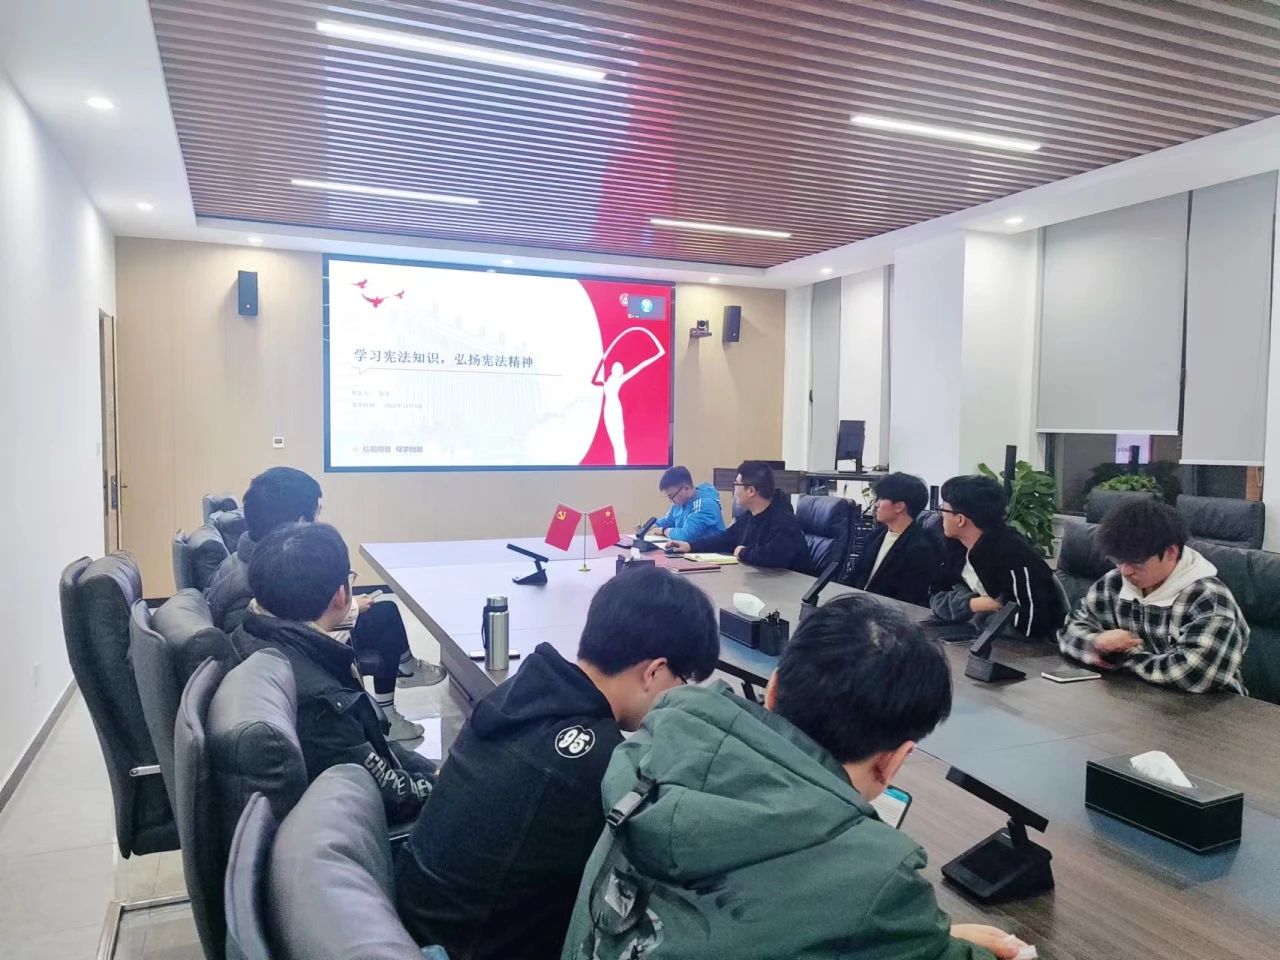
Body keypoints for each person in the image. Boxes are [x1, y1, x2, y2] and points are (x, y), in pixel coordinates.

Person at [562, 594, 1029, 960]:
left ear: (772, 690)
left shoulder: (649, 757)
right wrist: (929, 936)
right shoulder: (874, 882)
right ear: (894, 760)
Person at [394, 566, 720, 960]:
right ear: (654, 672)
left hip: (405, 926)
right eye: (683, 682)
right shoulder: (602, 763)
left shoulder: (517, 692)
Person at [205, 466, 443, 741]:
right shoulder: (253, 583)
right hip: (299, 676)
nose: (319, 521)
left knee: (384, 611)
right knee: (380, 617)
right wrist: (348, 610)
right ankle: (395, 693)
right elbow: (272, 654)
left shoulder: (248, 556)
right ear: (299, 523)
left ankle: (402, 678)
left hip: (298, 658)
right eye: (317, 514)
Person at [227, 522, 437, 822]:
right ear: (341, 595)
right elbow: (393, 798)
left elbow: (372, 746)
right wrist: (442, 785)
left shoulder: (249, 633)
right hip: (370, 826)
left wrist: (431, 772)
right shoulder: (321, 700)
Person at [1058, 500, 1249, 693]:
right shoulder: (1113, 583)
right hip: (1133, 698)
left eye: (1137, 562)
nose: (1125, 571)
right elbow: (1068, 631)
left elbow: (1193, 674)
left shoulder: (1208, 598)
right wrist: (1096, 642)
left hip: (1208, 706)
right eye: (1118, 560)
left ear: (1171, 552)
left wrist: (1118, 658)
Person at [930, 474, 1063, 640]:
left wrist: (978, 617)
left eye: (943, 510)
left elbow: (1031, 624)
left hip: (1025, 648)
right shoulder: (955, 547)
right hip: (974, 636)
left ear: (960, 520)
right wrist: (972, 604)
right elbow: (936, 598)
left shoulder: (1012, 552)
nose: (940, 516)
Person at [668, 460, 810, 573]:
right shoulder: (750, 515)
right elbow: (726, 538)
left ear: (751, 491)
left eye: (736, 484)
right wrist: (690, 546)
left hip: (792, 588)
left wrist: (743, 552)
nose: (734, 490)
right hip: (765, 582)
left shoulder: (783, 518)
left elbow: (775, 555)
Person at [849, 472, 942, 607]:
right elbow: (854, 577)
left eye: (881, 499)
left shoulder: (921, 548)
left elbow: (909, 599)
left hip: (887, 612)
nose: (876, 504)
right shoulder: (875, 536)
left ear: (899, 506)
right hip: (858, 606)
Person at [644, 465, 724, 543]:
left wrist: (663, 530)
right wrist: (653, 526)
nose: (670, 501)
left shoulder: (705, 504)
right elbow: (668, 520)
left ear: (686, 488)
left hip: (709, 550)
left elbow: (685, 536)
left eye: (671, 496)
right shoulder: (679, 503)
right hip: (688, 550)